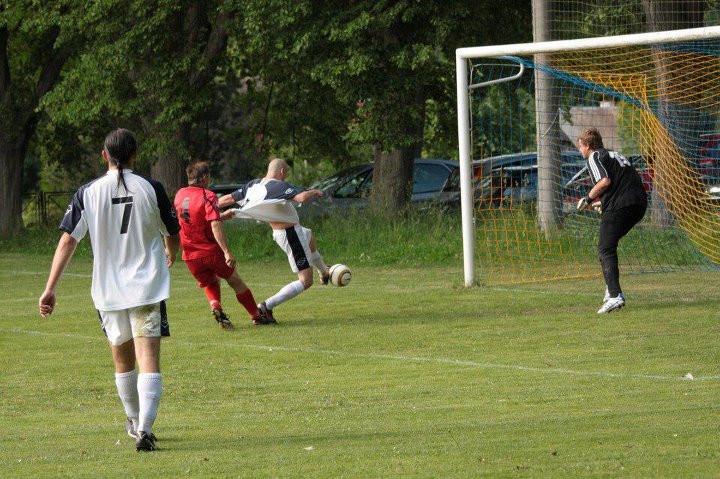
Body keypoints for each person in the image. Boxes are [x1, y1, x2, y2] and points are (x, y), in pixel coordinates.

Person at [38, 128, 180, 452]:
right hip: (146, 287)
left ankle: (133, 421)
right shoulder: (151, 188)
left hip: (108, 291)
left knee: (123, 360)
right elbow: (173, 231)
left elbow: (68, 240)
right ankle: (145, 428)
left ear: (104, 155)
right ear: (135, 155)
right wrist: (173, 252)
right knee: (149, 359)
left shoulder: (88, 192)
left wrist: (50, 288)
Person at [218, 158, 330, 322]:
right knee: (306, 281)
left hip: (289, 232)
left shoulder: (254, 185)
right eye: (286, 174)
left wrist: (208, 208)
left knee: (309, 236)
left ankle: (324, 271)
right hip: (290, 235)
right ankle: (265, 307)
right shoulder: (279, 185)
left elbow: (226, 199)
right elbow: (301, 198)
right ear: (282, 171)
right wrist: (314, 191)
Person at [174, 161, 271, 328]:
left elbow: (193, 217)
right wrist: (226, 252)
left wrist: (220, 216)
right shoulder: (208, 195)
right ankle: (256, 315)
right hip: (210, 251)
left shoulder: (180, 194)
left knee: (211, 282)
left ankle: (215, 305)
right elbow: (214, 224)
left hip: (189, 254)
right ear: (204, 177)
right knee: (235, 280)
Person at [576, 127, 647, 314]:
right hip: (639, 204)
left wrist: (588, 198)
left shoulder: (594, 156)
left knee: (605, 248)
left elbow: (604, 181)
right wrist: (603, 203)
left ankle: (615, 296)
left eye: (580, 146)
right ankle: (611, 288)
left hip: (622, 205)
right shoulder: (613, 154)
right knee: (609, 244)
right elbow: (618, 182)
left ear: (589, 145)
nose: (580, 150)